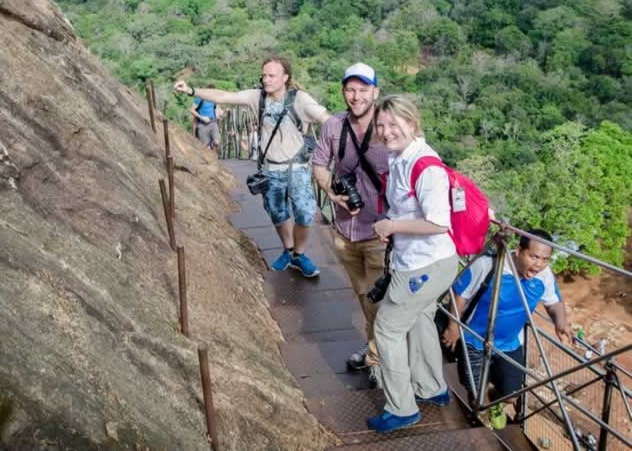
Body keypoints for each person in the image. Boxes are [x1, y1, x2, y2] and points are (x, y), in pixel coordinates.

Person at [174, 56, 330, 277]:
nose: (266, 79)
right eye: (264, 75)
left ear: (285, 77)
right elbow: (223, 96)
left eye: (271, 75)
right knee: (278, 213)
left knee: (304, 213)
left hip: (297, 167)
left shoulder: (300, 100)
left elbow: (327, 120)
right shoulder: (257, 97)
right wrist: (191, 91)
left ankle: (299, 254)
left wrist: (348, 138)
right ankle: (288, 250)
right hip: (270, 168)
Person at [367, 95, 460, 433]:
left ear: (412, 123)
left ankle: (402, 408)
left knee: (387, 329)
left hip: (425, 264)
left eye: (394, 123)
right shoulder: (400, 158)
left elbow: (438, 222)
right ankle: (432, 388)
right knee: (421, 319)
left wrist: (392, 227)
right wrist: (393, 224)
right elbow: (407, 210)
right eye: (381, 125)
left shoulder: (426, 165)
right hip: (422, 261)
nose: (386, 131)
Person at [442, 229, 571, 430]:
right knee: (476, 390)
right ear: (519, 251)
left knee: (512, 394)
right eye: (534, 256)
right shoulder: (489, 265)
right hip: (474, 339)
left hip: (510, 342)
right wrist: (453, 327)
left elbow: (554, 302)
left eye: (545, 259)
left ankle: (496, 402)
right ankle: (482, 412)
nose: (539, 264)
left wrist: (561, 323)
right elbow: (460, 293)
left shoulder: (544, 275)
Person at [312, 63, 390, 382]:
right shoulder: (333, 126)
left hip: (382, 233)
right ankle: (375, 350)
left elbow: (422, 166)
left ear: (375, 92)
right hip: (346, 230)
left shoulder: (391, 126)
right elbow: (319, 164)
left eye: (362, 89)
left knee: (379, 300)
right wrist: (332, 191)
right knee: (363, 295)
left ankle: (379, 360)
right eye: (350, 89)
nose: (356, 96)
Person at [190, 84, 224, 150]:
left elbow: (217, 109)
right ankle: (209, 147)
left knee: (217, 142)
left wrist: (221, 112)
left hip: (213, 123)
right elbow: (191, 110)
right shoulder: (199, 99)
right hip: (202, 125)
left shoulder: (214, 99)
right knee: (205, 147)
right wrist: (202, 117)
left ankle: (211, 145)